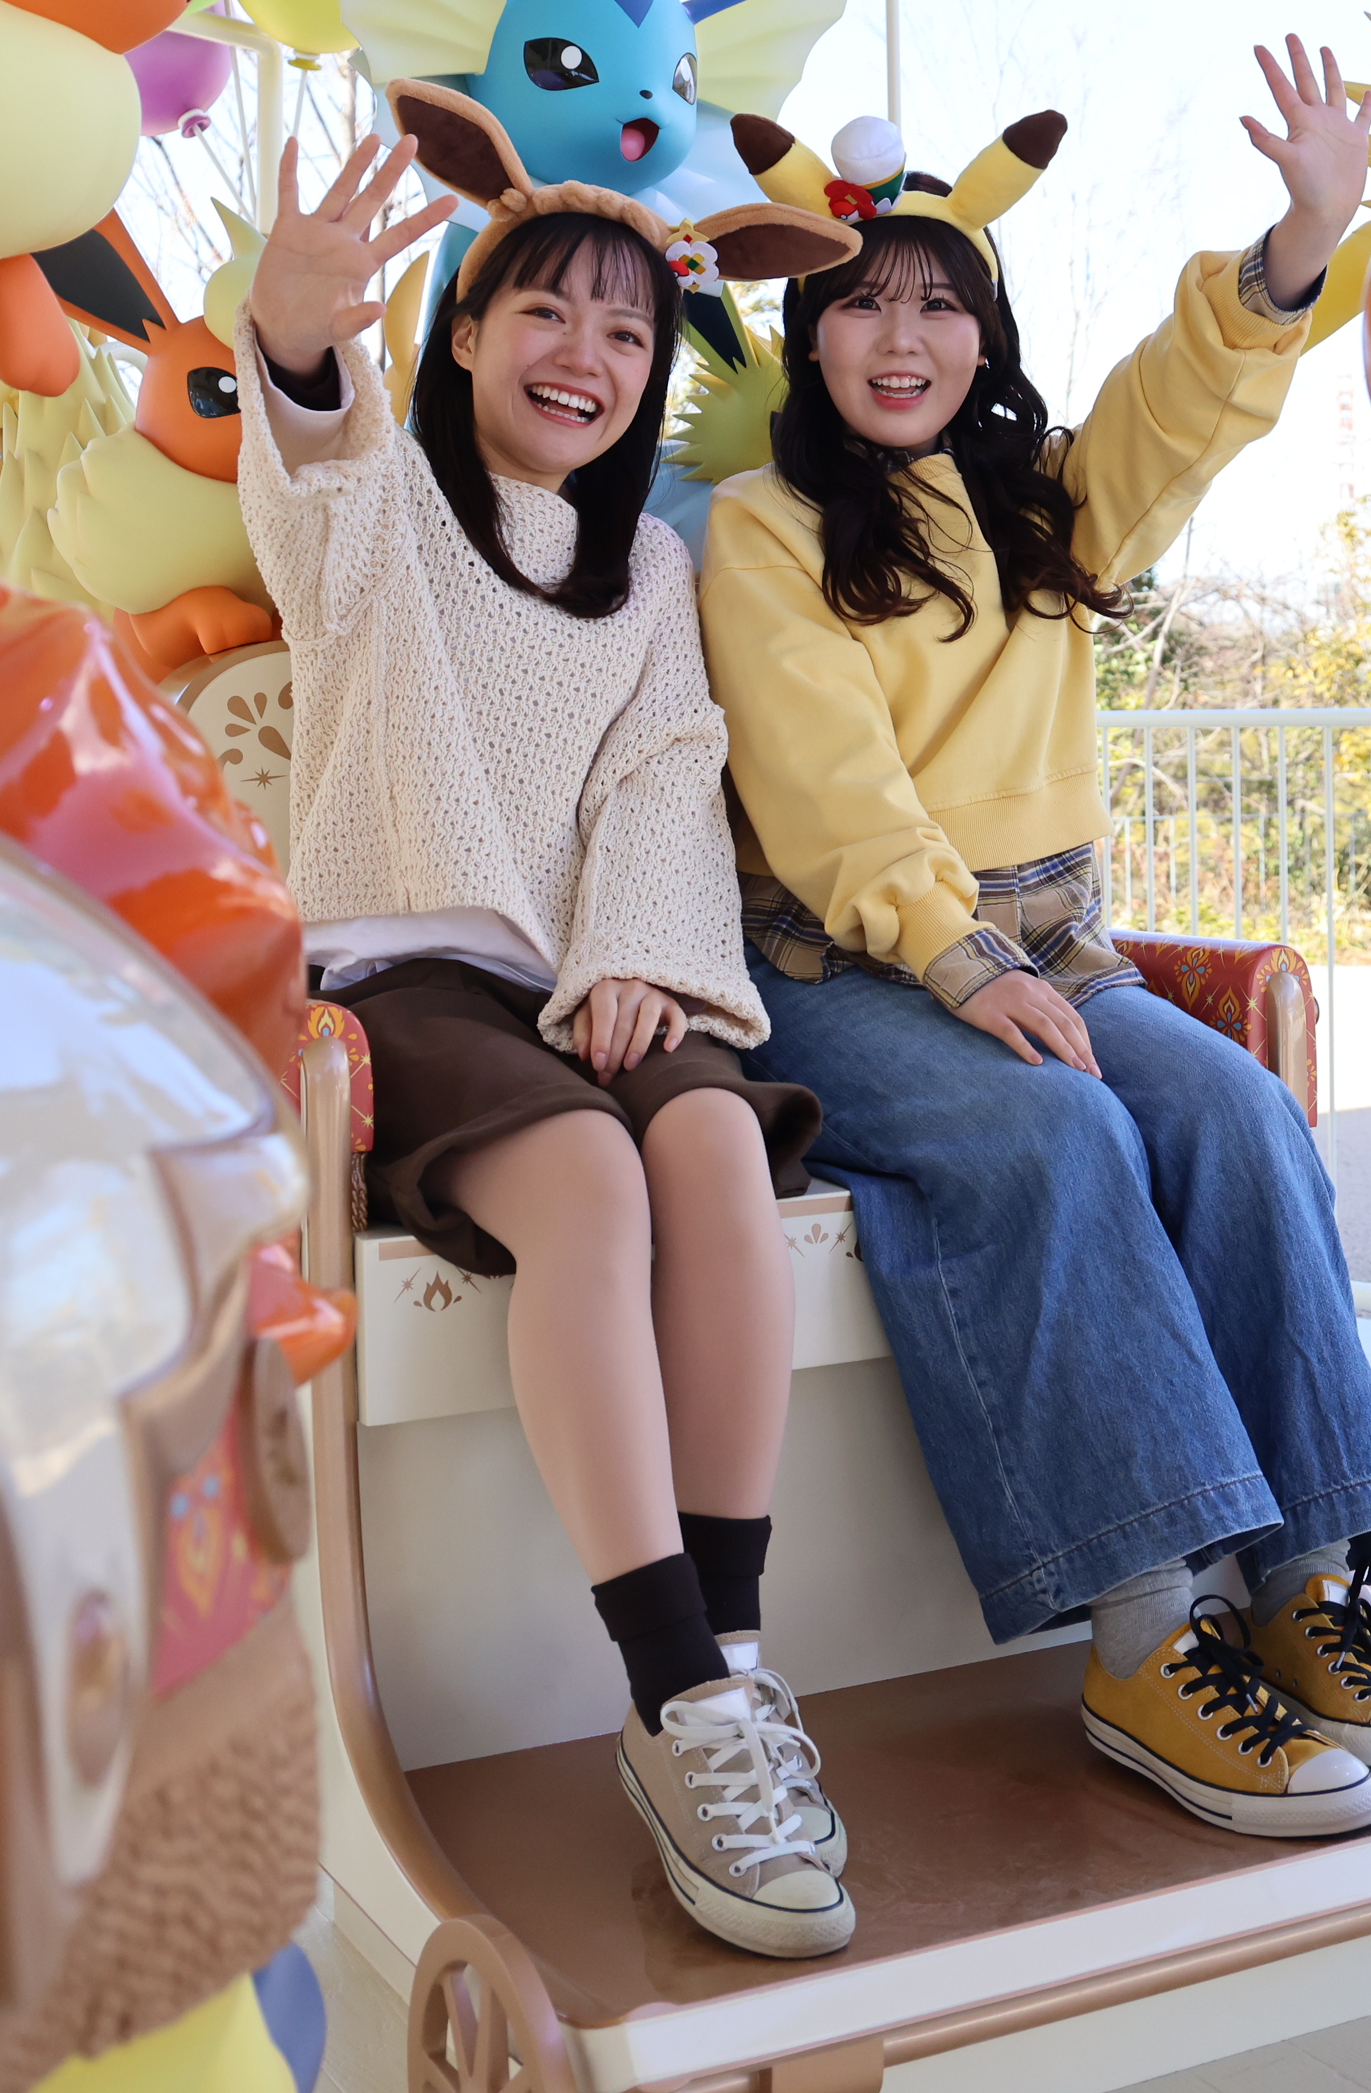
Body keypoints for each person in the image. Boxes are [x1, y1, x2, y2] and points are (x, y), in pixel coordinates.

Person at [698, 40, 1371, 1842]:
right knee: (1057, 1131)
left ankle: (1305, 1591)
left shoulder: (1042, 505)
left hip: (1050, 956)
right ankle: (1142, 1641)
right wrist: (962, 962)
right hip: (837, 973)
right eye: (861, 302)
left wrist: (1298, 248)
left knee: (1239, 1113)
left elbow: (1177, 412)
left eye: (939, 304)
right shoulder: (762, 528)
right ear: (809, 333)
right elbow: (827, 788)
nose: (901, 337)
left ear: (985, 332)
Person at [234, 95, 867, 1956]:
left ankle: (727, 1669)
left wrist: (638, 958)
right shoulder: (391, 506)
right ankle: (667, 1682)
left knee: (714, 1140)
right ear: (461, 331)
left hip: (592, 971)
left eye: (625, 330)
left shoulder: (649, 569)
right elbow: (315, 485)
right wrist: (296, 340)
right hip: (402, 979)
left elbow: (667, 769)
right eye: (543, 311)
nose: (585, 353)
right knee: (590, 1178)